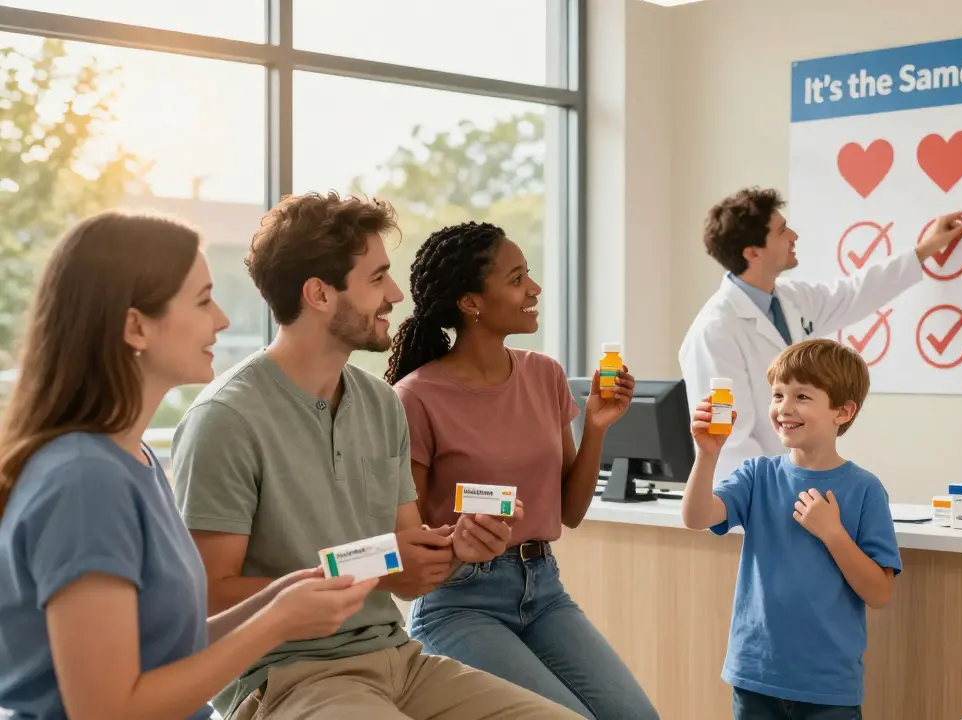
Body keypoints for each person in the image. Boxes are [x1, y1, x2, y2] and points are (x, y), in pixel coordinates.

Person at [169, 193, 578, 720]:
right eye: (377, 278)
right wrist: (375, 563)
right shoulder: (227, 418)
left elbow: (402, 570)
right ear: (319, 293)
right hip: (289, 677)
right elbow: (210, 597)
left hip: (400, 661)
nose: (395, 294)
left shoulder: (381, 403)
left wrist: (455, 548)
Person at [0, 210, 377, 720]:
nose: (221, 319)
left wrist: (274, 601)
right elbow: (107, 710)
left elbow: (163, 645)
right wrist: (278, 623)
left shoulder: (133, 458)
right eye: (203, 301)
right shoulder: (85, 483)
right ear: (136, 326)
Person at [384, 221, 658, 720]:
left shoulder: (545, 374)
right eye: (516, 279)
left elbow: (570, 512)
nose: (534, 288)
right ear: (471, 302)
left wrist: (597, 428)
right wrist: (461, 541)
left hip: (543, 587)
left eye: (528, 274)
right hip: (459, 600)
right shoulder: (415, 397)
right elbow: (409, 538)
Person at [678, 186, 962, 481]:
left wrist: (925, 249)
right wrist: (772, 493)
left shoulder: (792, 298)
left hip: (797, 479)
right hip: (758, 491)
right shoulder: (715, 330)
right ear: (753, 252)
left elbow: (856, 293)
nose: (793, 236)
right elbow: (730, 440)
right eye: (782, 231)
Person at [682, 338, 900, 720]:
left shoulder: (865, 490)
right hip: (755, 678)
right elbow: (697, 517)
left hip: (828, 688)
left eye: (801, 396)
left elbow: (879, 593)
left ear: (842, 411)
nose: (784, 407)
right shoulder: (757, 475)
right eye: (778, 395)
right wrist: (707, 455)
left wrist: (833, 533)